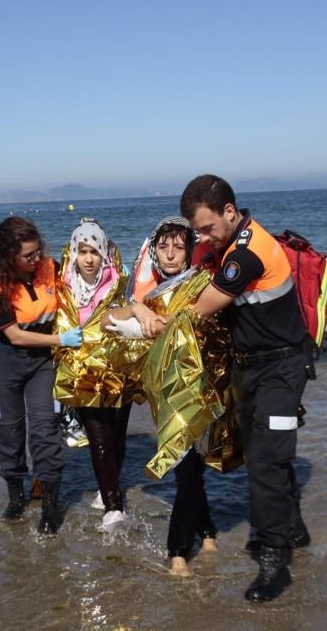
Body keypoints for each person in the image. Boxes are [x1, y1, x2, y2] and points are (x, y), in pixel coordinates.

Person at [179, 174, 312, 602]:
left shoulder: (248, 253)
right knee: (262, 453)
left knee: (266, 464)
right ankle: (291, 527)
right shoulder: (227, 247)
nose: (202, 237)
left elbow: (202, 308)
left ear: (230, 213)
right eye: (197, 230)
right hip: (249, 368)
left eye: (206, 227)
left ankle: (275, 558)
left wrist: (157, 322)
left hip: (282, 368)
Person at [107, 216, 219, 575]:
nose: (170, 253)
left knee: (187, 468)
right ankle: (208, 529)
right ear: (154, 249)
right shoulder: (149, 292)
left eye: (179, 246)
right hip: (163, 391)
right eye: (163, 245)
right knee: (188, 467)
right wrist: (139, 309)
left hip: (198, 388)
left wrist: (171, 324)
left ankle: (177, 553)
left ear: (190, 251)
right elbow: (108, 319)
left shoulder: (203, 284)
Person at [0, 217, 82, 535]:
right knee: (9, 432)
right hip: (8, 361)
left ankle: (50, 507)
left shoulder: (51, 267)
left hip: (42, 364)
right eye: (28, 255)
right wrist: (60, 341)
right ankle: (16, 497)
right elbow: (15, 336)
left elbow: (88, 276)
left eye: (38, 252)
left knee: (45, 429)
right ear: (9, 255)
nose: (36, 259)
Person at [58, 219, 132, 530]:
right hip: (82, 371)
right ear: (73, 252)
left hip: (118, 368)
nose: (89, 258)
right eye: (83, 251)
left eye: (95, 251)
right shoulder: (62, 286)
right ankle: (115, 507)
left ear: (104, 253)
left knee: (115, 436)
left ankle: (107, 490)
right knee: (98, 436)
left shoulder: (119, 281)